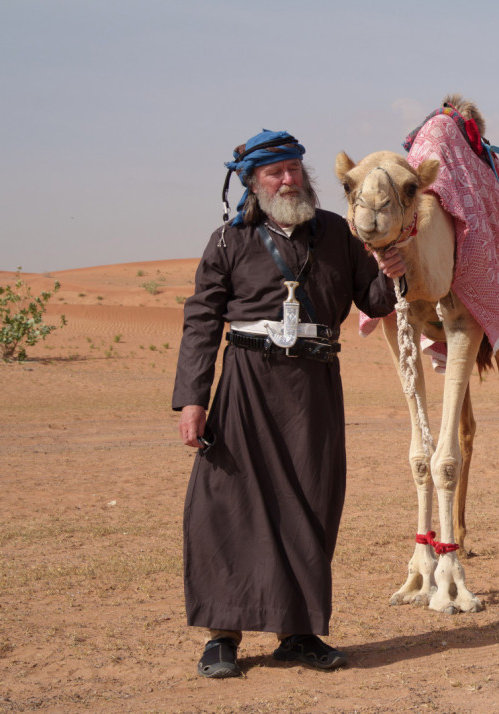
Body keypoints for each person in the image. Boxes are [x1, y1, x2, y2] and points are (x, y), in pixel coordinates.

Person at [173, 130, 405, 678]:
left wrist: (393, 271)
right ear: (254, 182)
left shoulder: (335, 232)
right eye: (276, 172)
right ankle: (222, 637)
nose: (288, 179)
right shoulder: (229, 240)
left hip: (314, 388)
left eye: (295, 169)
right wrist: (192, 400)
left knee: (311, 502)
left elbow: (370, 299)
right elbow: (203, 321)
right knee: (227, 505)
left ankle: (298, 634)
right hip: (247, 386)